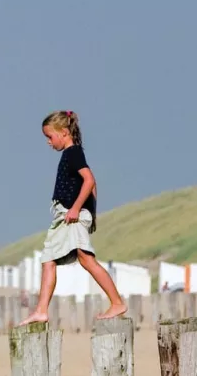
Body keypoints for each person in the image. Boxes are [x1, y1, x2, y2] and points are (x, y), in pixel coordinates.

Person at [19, 109, 127, 325]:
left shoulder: (73, 152)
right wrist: (91, 214)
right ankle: (41, 310)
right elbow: (92, 186)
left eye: (50, 137)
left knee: (85, 259)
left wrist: (78, 209)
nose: (49, 142)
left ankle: (117, 302)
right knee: (48, 259)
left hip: (71, 214)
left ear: (64, 132)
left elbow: (89, 180)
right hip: (65, 215)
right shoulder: (70, 154)